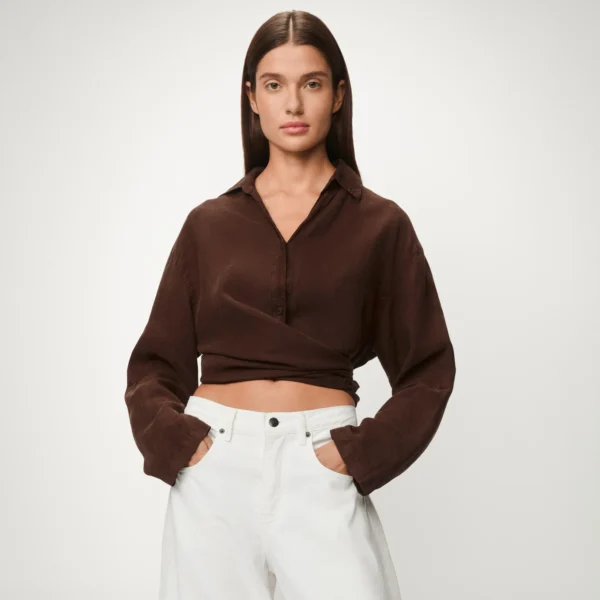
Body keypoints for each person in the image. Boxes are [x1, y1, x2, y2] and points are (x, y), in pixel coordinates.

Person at [124, 9, 456, 600]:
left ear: (338, 95)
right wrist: (179, 445)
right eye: (275, 85)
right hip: (215, 470)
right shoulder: (208, 225)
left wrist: (363, 454)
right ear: (252, 98)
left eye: (312, 83)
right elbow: (153, 366)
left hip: (322, 463)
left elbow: (428, 368)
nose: (294, 104)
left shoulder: (380, 225)